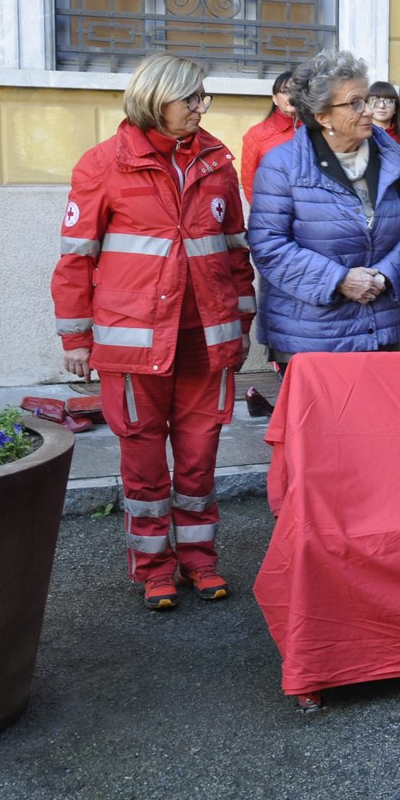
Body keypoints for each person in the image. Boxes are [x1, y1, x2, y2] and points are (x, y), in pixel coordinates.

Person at [52, 52, 255, 611]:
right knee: (142, 463)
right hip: (133, 346)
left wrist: (241, 323)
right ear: (154, 99)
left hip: (205, 344)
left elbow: (235, 251)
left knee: (198, 457)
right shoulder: (101, 165)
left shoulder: (217, 162)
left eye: (202, 97)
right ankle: (154, 569)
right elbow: (75, 261)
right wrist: (75, 339)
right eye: (190, 98)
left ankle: (200, 561)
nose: (200, 108)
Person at [247, 50, 400, 365]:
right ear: (322, 116)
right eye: (355, 103)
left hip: (381, 328)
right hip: (311, 335)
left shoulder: (393, 158)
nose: (369, 112)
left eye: (369, 100)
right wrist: (339, 280)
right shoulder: (282, 166)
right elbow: (268, 245)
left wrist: (384, 276)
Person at [239, 69, 297, 205]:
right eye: (285, 92)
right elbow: (249, 181)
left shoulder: (314, 131)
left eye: (297, 91)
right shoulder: (256, 134)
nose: (292, 97)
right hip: (273, 210)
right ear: (275, 99)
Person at [367, 81, 400, 153]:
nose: (381, 106)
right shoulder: (359, 141)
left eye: (388, 101)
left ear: (395, 108)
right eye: (375, 100)